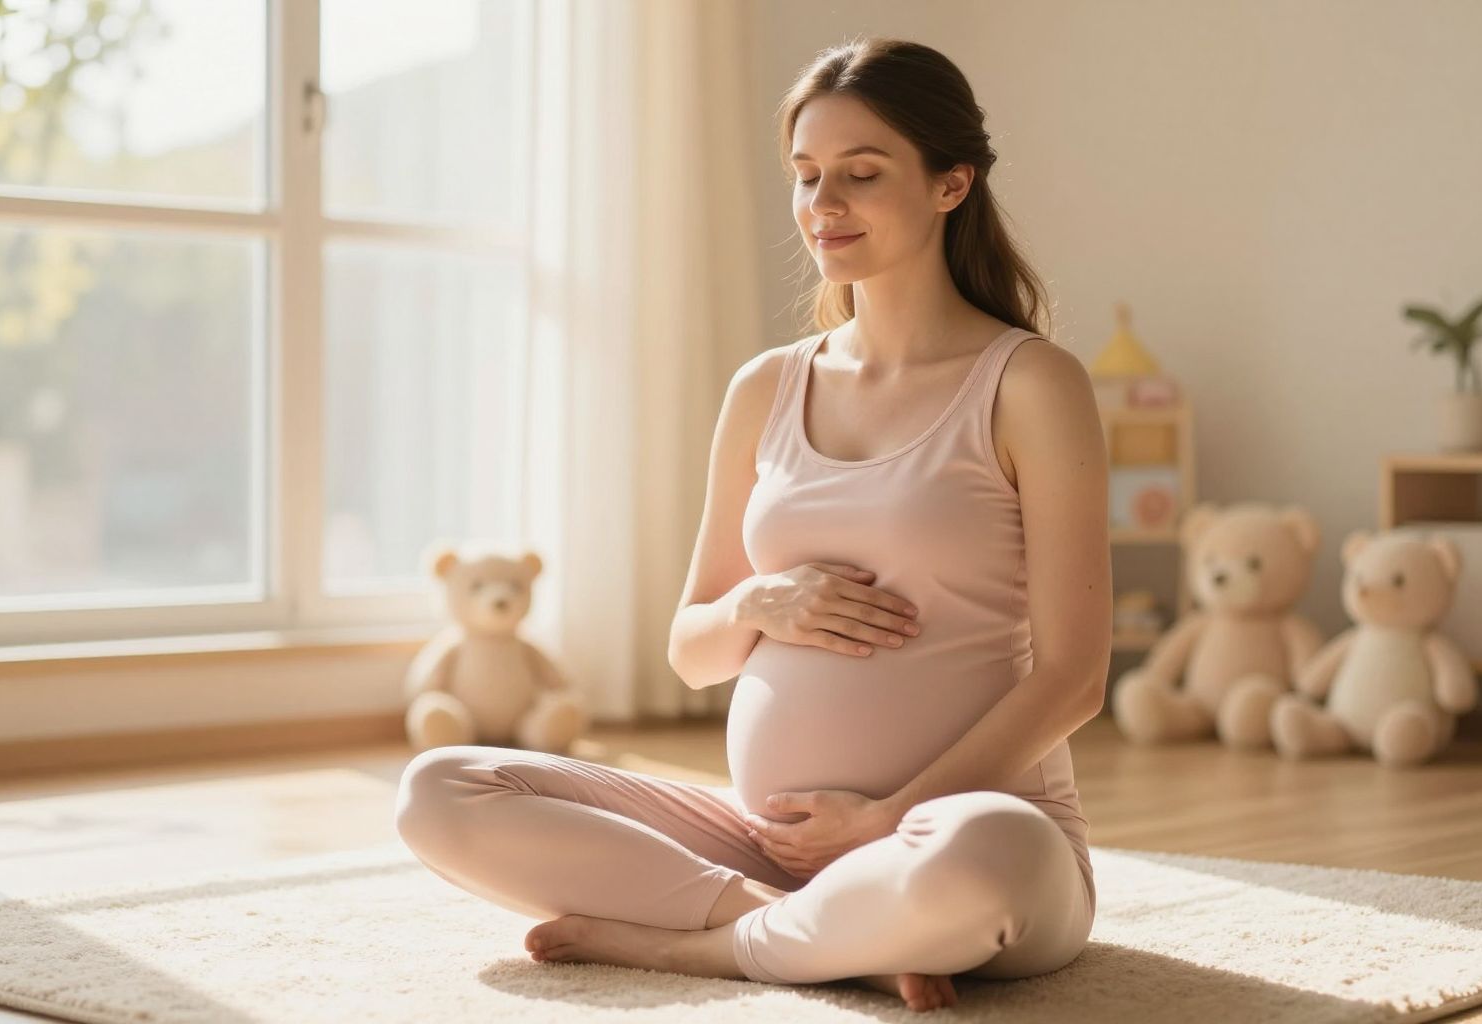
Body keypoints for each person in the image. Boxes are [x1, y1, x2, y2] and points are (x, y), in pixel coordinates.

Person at [393, 37, 1112, 1013]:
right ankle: (795, 926)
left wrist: (888, 818)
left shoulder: (1030, 384)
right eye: (807, 176)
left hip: (963, 829)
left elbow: (1074, 675)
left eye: (862, 175)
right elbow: (692, 652)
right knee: (441, 789)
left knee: (978, 868)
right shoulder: (767, 387)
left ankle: (710, 947)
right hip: (767, 843)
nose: (824, 204)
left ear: (952, 184)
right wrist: (759, 601)